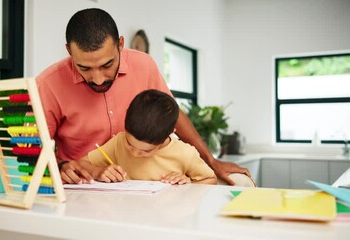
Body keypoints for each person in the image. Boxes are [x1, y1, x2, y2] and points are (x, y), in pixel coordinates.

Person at [36, 8, 249, 185]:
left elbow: (171, 113)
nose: (98, 79)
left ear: (120, 45)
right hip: (82, 185)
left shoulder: (144, 65)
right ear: (68, 51)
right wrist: (62, 166)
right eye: (84, 68)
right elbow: (33, 147)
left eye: (107, 65)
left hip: (139, 182)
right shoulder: (48, 84)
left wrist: (211, 161)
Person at [74, 89, 217, 185]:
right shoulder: (119, 141)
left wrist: (188, 184)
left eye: (146, 151)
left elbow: (211, 179)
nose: (135, 153)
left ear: (169, 134)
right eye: (130, 144)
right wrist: (98, 172)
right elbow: (81, 163)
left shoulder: (185, 153)